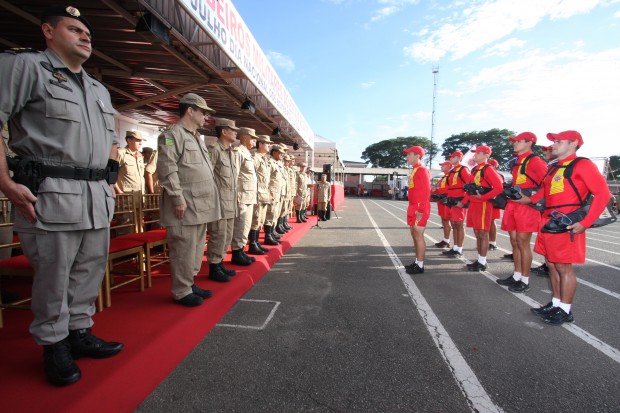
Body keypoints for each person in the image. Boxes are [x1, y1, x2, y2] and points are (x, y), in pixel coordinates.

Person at [0, 5, 123, 386]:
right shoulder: (26, 67)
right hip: (51, 191)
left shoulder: (98, 89)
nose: (85, 36)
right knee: (54, 275)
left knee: (89, 269)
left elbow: (112, 141)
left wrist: (109, 179)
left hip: (95, 195)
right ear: (48, 31)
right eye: (74, 29)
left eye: (88, 33)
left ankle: (78, 332)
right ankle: (54, 344)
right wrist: (5, 182)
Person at [518, 131, 610, 325]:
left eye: (559, 141)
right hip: (549, 221)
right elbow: (544, 191)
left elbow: (603, 194)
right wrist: (529, 200)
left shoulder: (582, 164)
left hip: (566, 222)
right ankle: (556, 303)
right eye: (554, 142)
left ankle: (565, 310)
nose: (554, 145)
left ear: (573, 143)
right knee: (551, 264)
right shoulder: (554, 167)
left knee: (563, 267)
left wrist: (585, 223)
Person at [157, 93, 220, 307]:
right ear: (190, 111)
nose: (206, 117)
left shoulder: (196, 137)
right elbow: (167, 168)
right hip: (184, 204)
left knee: (195, 248)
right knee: (183, 248)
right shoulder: (171, 135)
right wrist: (177, 198)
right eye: (203, 112)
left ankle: (189, 283)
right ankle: (181, 290)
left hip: (200, 204)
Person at [496, 132, 547, 292]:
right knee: (515, 241)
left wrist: (531, 199)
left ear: (529, 143)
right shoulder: (517, 161)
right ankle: (516, 275)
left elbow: (548, 184)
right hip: (514, 204)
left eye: (518, 141)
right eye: (515, 141)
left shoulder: (536, 161)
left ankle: (525, 280)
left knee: (523, 243)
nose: (515, 143)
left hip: (526, 206)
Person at [457, 145, 503, 271]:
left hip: (483, 204)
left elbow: (499, 187)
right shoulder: (475, 169)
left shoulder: (488, 168)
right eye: (475, 153)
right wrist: (463, 202)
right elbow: (470, 188)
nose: (475, 155)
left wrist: (483, 197)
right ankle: (479, 260)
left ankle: (482, 262)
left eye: (478, 153)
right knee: (477, 233)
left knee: (482, 233)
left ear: (486, 155)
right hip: (474, 204)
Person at [207, 118, 240, 281]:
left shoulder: (230, 151)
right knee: (218, 235)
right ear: (223, 131)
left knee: (227, 235)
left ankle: (220, 263)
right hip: (219, 201)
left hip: (230, 201)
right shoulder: (214, 149)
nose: (235, 133)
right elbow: (208, 175)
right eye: (232, 130)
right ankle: (214, 267)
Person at [230, 127, 258, 266]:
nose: (254, 141)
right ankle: (236, 252)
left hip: (249, 196)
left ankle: (241, 250)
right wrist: (234, 194)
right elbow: (234, 175)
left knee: (246, 225)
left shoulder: (247, 153)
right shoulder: (238, 151)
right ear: (245, 137)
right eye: (252, 138)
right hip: (241, 195)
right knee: (240, 225)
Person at [403, 146, 431, 274]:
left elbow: (426, 191)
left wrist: (420, 209)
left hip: (419, 207)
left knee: (418, 235)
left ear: (417, 156)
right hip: (413, 206)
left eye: (409, 154)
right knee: (414, 235)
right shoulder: (415, 170)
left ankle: (420, 265)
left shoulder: (422, 170)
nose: (407, 157)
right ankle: (417, 261)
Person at [442, 151, 471, 258]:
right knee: (454, 224)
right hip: (452, 200)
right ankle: (455, 247)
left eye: (453, 157)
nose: (451, 158)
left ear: (459, 158)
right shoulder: (452, 171)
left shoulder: (463, 169)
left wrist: (463, 201)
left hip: (459, 200)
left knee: (459, 225)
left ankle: (459, 249)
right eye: (450, 157)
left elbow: (470, 185)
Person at [248, 135, 274, 251]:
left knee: (261, 219)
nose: (269, 145)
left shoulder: (264, 159)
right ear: (260, 144)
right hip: (257, 193)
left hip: (264, 193)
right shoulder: (255, 158)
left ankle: (257, 242)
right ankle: (252, 243)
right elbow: (252, 177)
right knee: (255, 218)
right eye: (267, 143)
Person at [433, 161, 452, 249]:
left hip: (447, 201)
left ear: (448, 166)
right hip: (442, 201)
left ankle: (447, 241)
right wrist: (435, 191)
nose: (441, 167)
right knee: (444, 221)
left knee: (447, 221)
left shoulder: (450, 176)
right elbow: (441, 189)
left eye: (443, 165)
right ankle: (445, 240)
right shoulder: (443, 177)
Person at [486, 158, 502, 251]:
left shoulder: (497, 174)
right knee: (488, 221)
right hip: (488, 200)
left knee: (491, 221)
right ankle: (489, 241)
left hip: (494, 201)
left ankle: (492, 242)